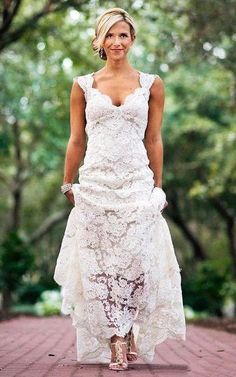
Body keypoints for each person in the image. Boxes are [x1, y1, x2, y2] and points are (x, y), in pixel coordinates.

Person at [53, 7, 186, 371]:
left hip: (136, 183)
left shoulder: (151, 84)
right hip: (95, 184)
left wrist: (157, 187)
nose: (117, 42)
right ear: (99, 40)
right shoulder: (82, 85)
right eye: (110, 35)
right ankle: (115, 339)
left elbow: (154, 138)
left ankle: (128, 331)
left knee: (137, 260)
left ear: (132, 39)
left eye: (123, 35)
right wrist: (69, 184)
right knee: (100, 264)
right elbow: (76, 139)